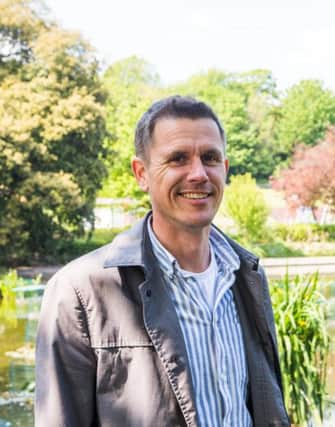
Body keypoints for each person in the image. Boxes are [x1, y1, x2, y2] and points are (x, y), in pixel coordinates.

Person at [35, 95, 290, 427]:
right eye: (178, 159)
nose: (198, 173)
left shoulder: (247, 276)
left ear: (224, 169)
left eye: (210, 158)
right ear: (142, 173)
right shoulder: (81, 292)